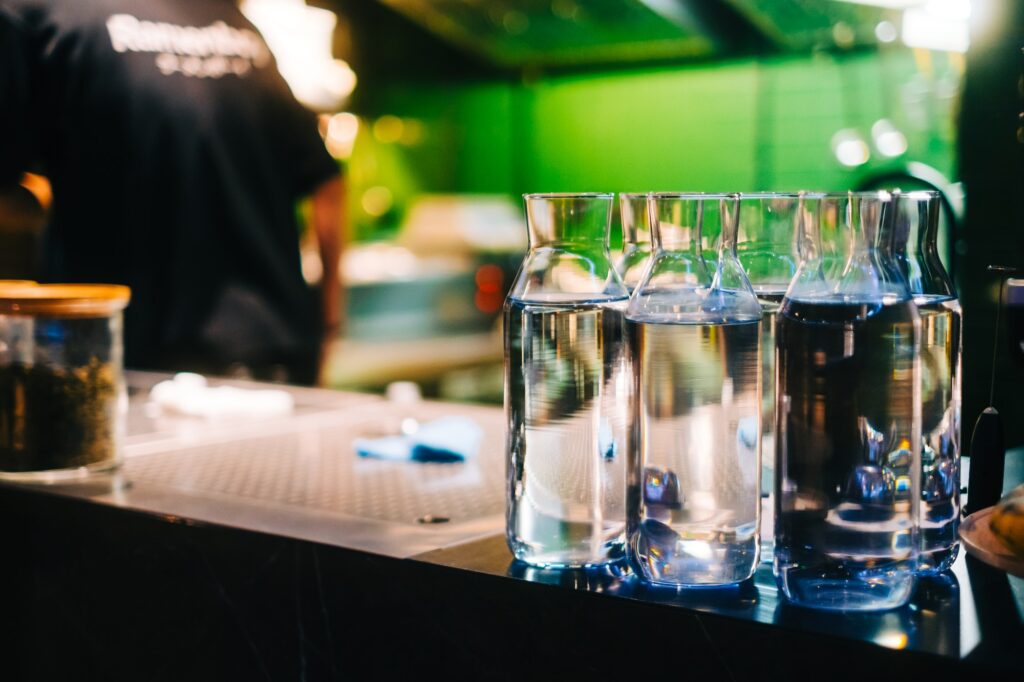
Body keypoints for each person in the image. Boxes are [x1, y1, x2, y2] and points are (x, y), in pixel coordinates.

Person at [0, 0, 344, 385]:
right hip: (272, 350)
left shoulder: (38, 12)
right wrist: (329, 323)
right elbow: (327, 181)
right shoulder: (231, 23)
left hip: (129, 361)